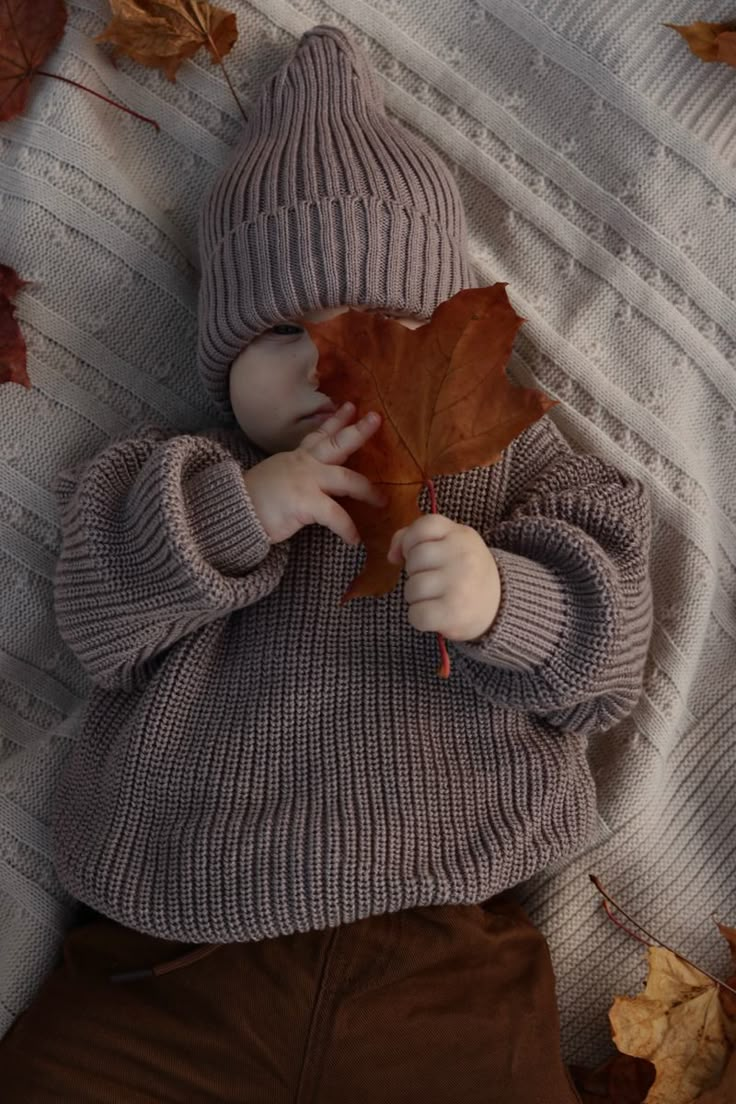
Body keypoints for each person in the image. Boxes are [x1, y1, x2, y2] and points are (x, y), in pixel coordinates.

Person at [0, 25, 653, 1103]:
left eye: (374, 324)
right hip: (166, 956)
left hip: (436, 950)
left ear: (444, 332)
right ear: (221, 362)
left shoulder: (507, 466)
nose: (327, 364)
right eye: (281, 336)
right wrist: (236, 511)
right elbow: (94, 612)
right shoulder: (178, 474)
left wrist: (505, 602)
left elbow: (610, 646)